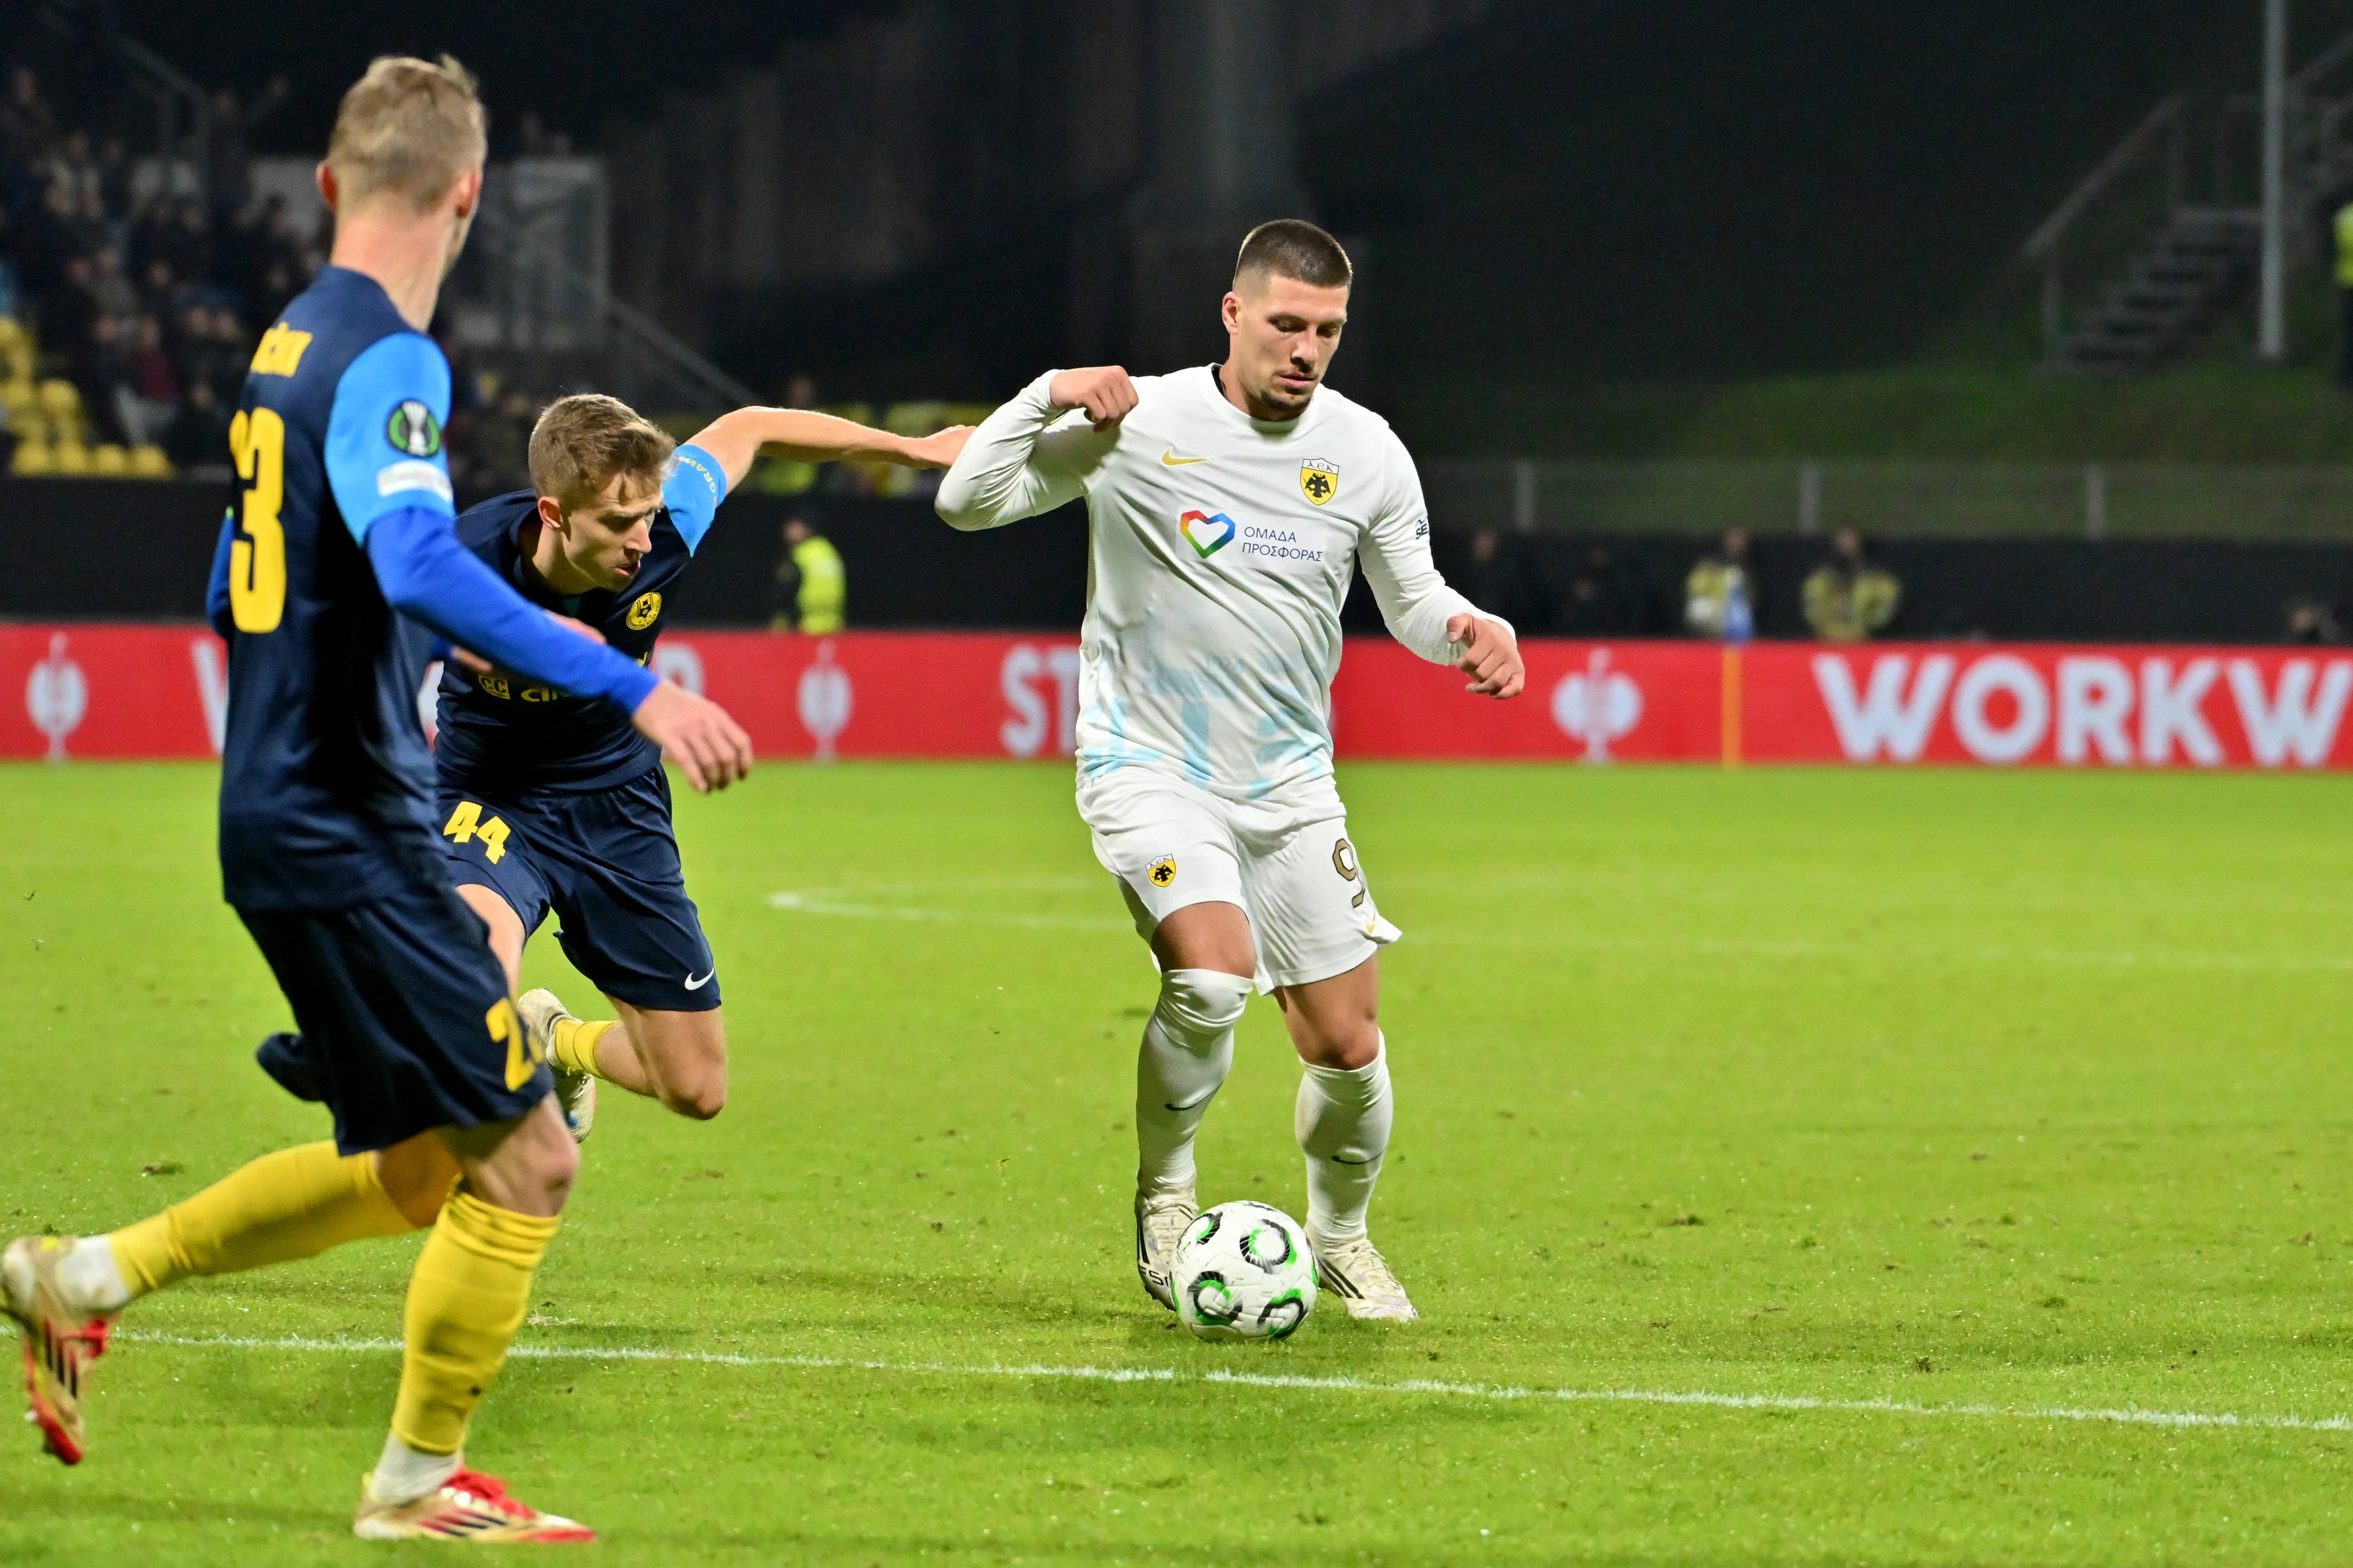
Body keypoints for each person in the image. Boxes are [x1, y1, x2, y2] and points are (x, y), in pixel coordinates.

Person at [1, 55, 752, 1543]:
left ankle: (83, 1278)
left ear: (332, 185)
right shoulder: (393, 360)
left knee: (423, 1167)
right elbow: (414, 566)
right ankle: (410, 1483)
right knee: (530, 1155)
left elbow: (236, 582)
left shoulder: (283, 345)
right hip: (349, 821)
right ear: (469, 193)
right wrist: (637, 686)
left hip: (283, 807)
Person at [936, 219, 1523, 1322]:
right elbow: (966, 502)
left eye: (1329, 331)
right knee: (1210, 979)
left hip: (1291, 786)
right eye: (1289, 325)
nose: (1307, 350)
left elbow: (1412, 603)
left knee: (1346, 1046)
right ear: (1234, 314)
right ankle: (1166, 1192)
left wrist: (1471, 629)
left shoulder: (1364, 450)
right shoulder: (1139, 422)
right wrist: (1045, 394)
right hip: (1147, 764)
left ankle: (1339, 1234)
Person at [430, 395, 963, 1135]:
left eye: (647, 515)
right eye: (619, 523)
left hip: (617, 806)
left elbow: (753, 427)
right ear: (553, 514)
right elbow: (425, 635)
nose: (643, 541)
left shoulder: (666, 519)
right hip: (489, 798)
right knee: (471, 980)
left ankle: (553, 1039)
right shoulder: (460, 560)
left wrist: (909, 450)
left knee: (693, 1087)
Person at [1801, 526, 1900, 642]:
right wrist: (1823, 624)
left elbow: (1889, 600)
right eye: (1843, 542)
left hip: (1863, 642)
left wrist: (1869, 624)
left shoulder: (1875, 581)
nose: (1847, 547)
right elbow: (1811, 608)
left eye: (1851, 542)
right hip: (1826, 642)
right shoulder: (1819, 580)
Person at [1684, 525, 1757, 640]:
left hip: (1736, 627)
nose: (1737, 542)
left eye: (1740, 538)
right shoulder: (1709, 564)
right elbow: (1694, 589)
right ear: (1725, 539)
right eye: (1733, 537)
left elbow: (1751, 598)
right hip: (1710, 625)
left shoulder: (1750, 566)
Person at [776, 516, 847, 632]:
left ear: (806, 528)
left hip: (804, 625)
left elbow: (784, 590)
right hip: (834, 624)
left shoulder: (800, 553)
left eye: (793, 527)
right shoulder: (828, 551)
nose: (787, 531)